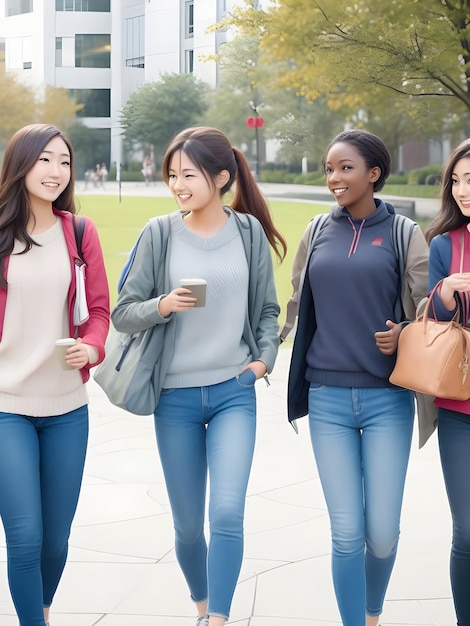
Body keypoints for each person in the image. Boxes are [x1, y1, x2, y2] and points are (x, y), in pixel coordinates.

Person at [111, 126, 286, 626]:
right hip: (174, 398)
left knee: (227, 513)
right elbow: (124, 313)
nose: (177, 184)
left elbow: (268, 311)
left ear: (221, 177)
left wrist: (262, 362)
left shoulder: (248, 232)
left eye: (188, 174)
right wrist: (162, 305)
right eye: (172, 174)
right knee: (189, 528)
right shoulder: (159, 233)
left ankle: (219, 620)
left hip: (235, 391)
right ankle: (203, 605)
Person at [286, 129, 429, 626]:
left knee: (383, 533)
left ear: (373, 173)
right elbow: (293, 303)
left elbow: (427, 309)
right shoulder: (315, 230)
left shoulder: (403, 233)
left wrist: (405, 333)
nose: (333, 178)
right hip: (326, 397)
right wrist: (263, 347)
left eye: (345, 168)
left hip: (387, 399)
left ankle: (372, 612)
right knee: (346, 533)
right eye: (329, 169)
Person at [0, 123, 110, 626]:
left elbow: (99, 312)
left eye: (64, 161)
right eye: (45, 159)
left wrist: (90, 347)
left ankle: (37, 612)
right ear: (21, 163)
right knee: (24, 537)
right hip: (7, 407)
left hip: (67, 408)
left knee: (56, 540)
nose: (55, 171)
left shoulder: (79, 232)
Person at [425, 137, 470, 626]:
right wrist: (445, 292)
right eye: (456, 181)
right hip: (460, 407)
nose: (461, 191)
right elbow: (431, 324)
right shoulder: (445, 244)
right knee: (468, 532)